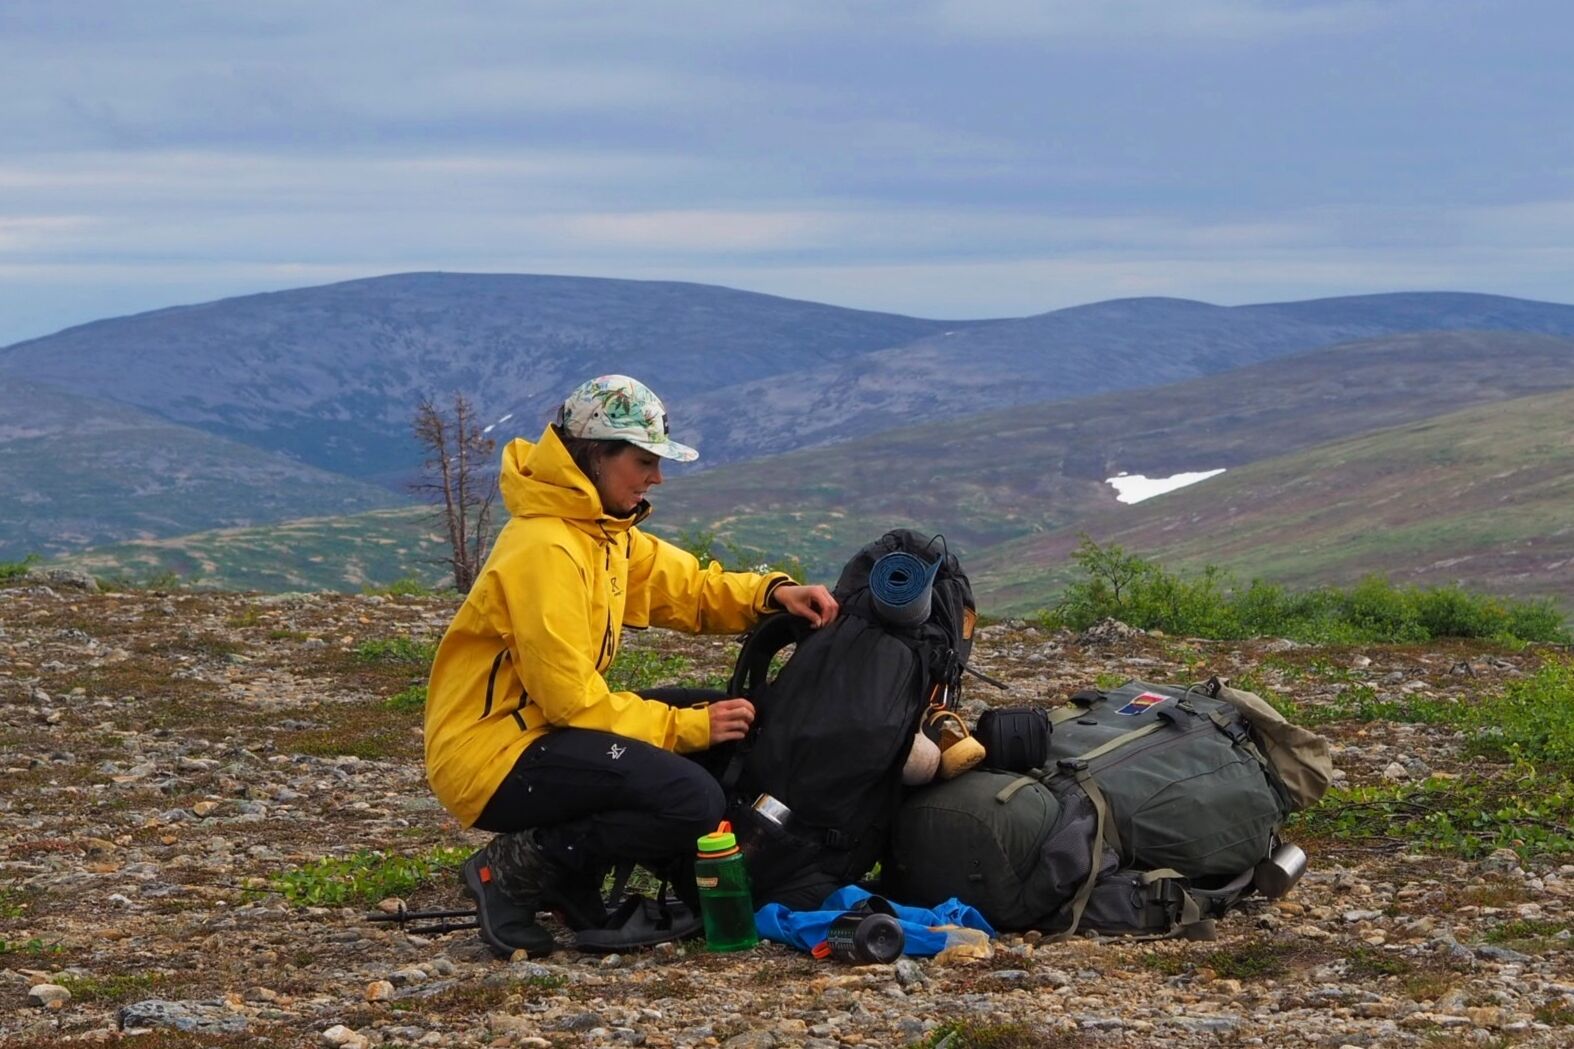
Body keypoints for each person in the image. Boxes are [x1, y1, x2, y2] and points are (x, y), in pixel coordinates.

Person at [424, 374, 839, 957]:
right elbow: (571, 702)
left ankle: (571, 877)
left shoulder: (602, 531)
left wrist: (773, 594)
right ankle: (512, 871)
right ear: (596, 455)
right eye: (644, 460)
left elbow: (689, 587)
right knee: (690, 797)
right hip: (491, 755)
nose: (657, 477)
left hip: (543, 731)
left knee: (735, 731)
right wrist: (685, 727)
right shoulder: (546, 550)